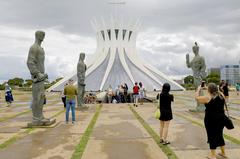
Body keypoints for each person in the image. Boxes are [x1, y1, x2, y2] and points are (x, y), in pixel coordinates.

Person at [195, 83, 227, 159]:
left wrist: (199, 89)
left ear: (209, 90)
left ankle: (213, 155)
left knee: (211, 136)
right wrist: (208, 87)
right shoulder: (221, 95)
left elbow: (196, 98)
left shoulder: (208, 97)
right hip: (221, 118)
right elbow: (216, 92)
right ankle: (223, 153)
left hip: (211, 120)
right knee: (220, 135)